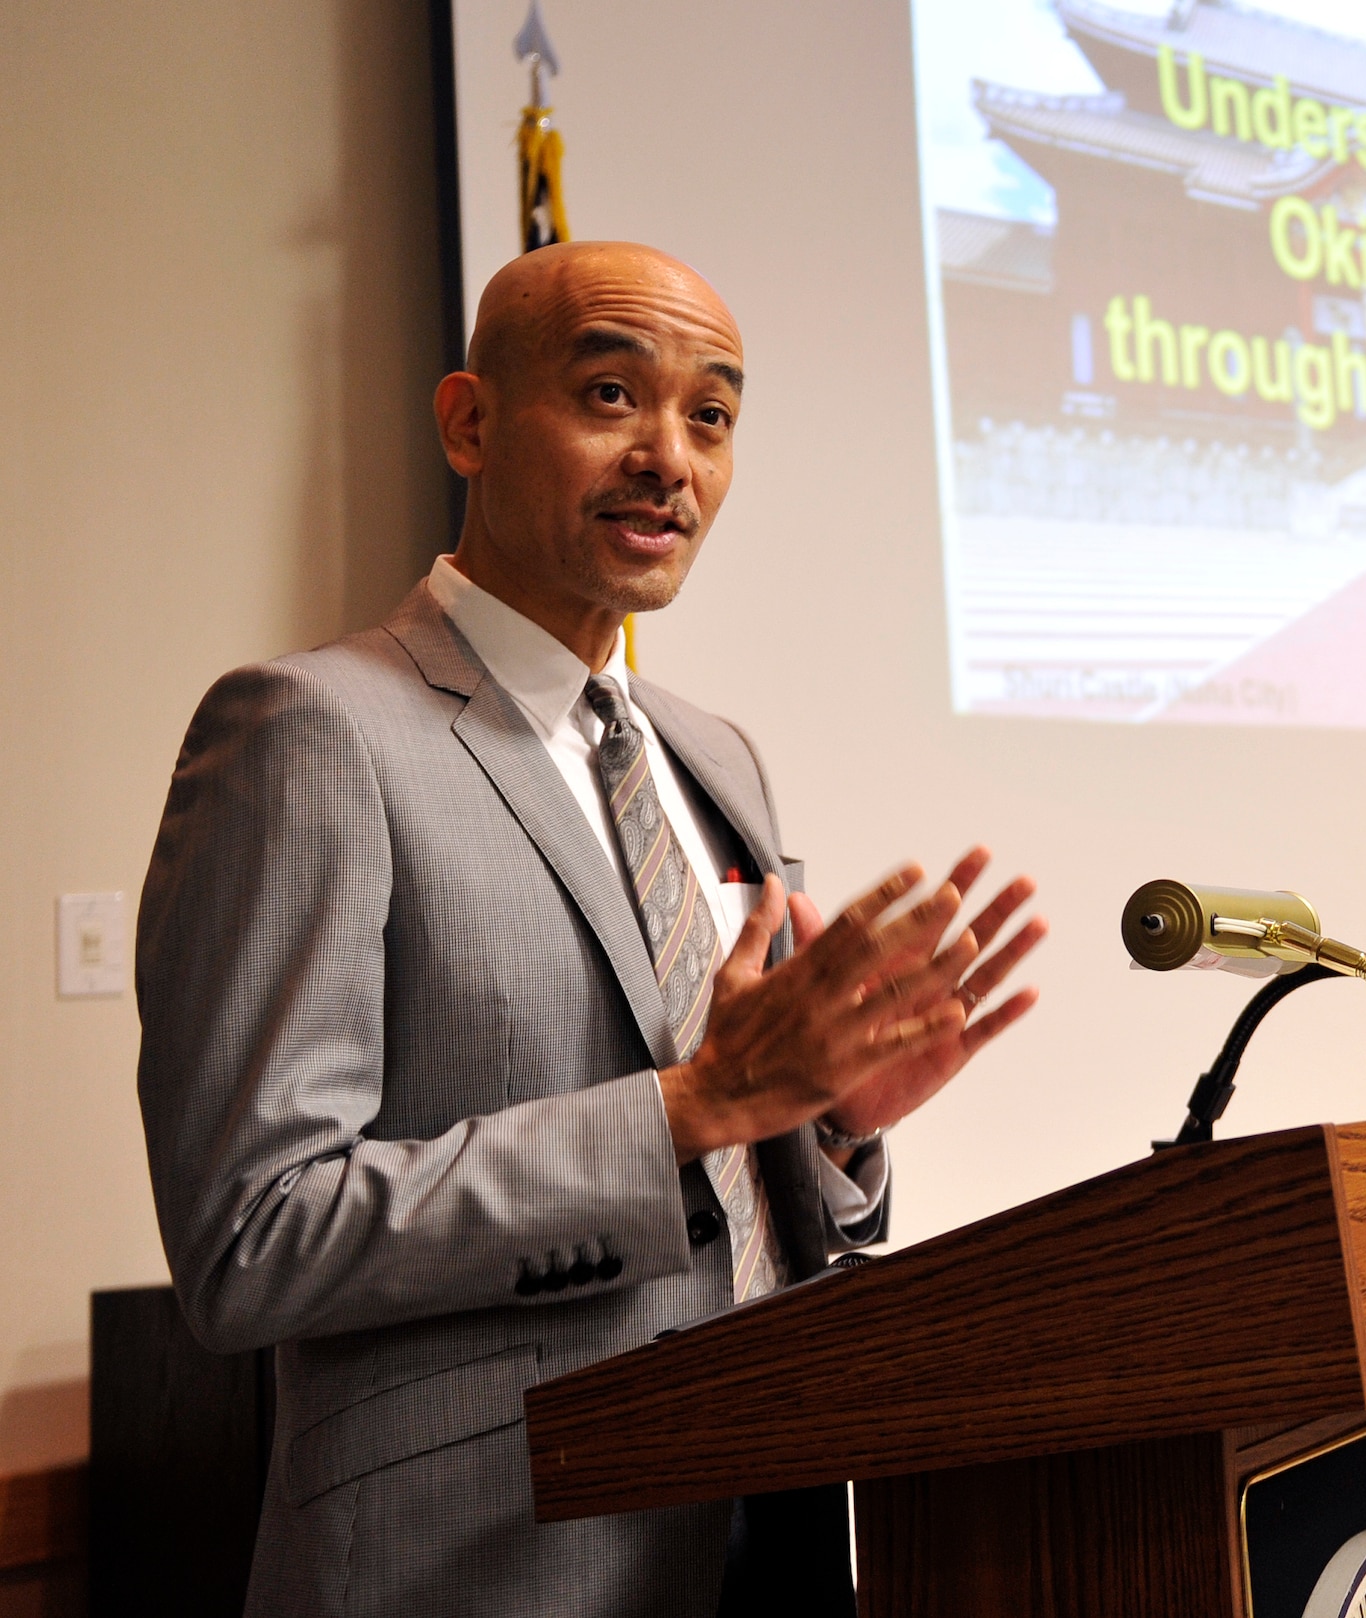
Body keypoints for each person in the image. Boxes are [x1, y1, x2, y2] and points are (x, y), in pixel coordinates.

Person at [135, 241, 1046, 1616]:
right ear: (471, 422)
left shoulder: (715, 757)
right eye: (612, 393)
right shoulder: (313, 731)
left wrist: (834, 1130)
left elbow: (738, 1179)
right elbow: (250, 1238)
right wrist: (695, 1103)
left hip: (778, 1527)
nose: (669, 458)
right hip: (485, 1559)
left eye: (712, 416)